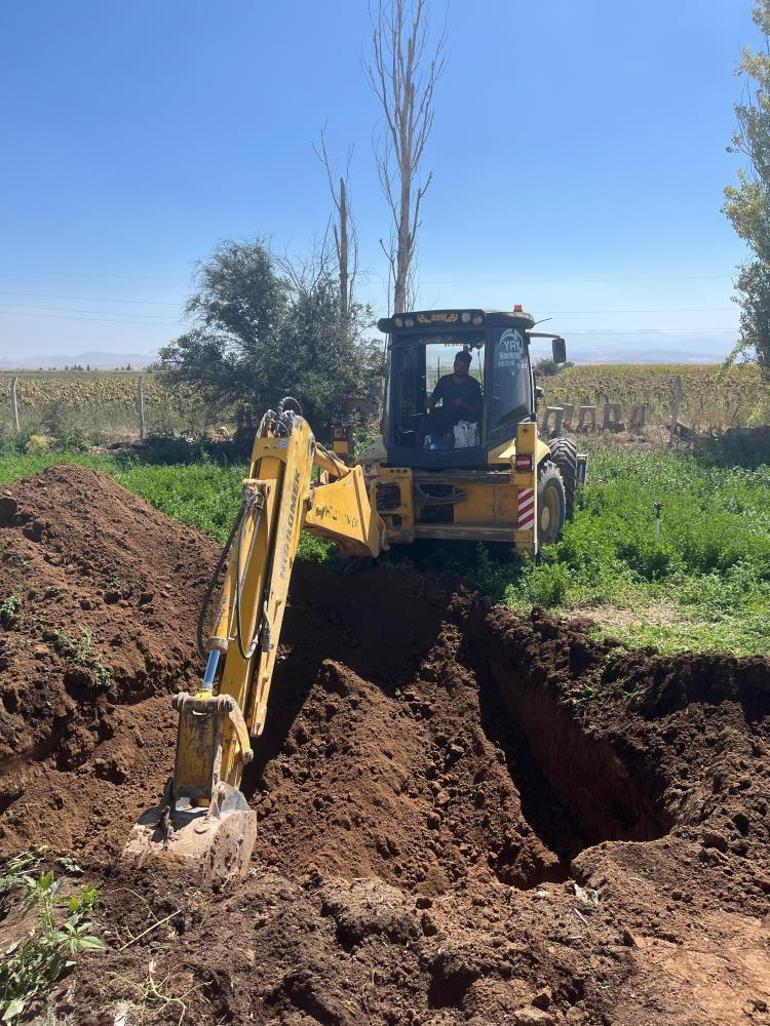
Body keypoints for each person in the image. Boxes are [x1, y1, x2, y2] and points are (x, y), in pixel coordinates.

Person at [426, 350, 482, 439]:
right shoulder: (444, 381)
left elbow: (478, 409)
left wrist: (464, 404)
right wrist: (429, 402)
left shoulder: (473, 384)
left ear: (468, 367)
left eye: (463, 366)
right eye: (458, 365)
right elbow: (433, 400)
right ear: (454, 364)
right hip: (444, 425)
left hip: (465, 429)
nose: (459, 368)